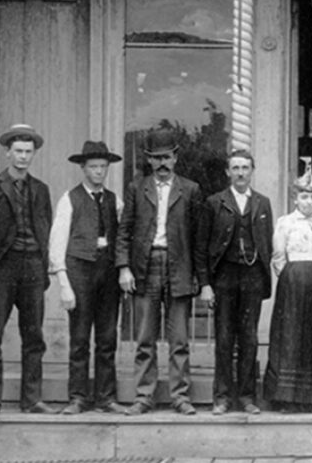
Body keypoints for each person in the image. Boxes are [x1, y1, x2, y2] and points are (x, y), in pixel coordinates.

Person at [0, 123, 54, 420]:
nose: (23, 157)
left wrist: (41, 264)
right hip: (1, 270)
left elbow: (46, 229)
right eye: (18, 151)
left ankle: (32, 399)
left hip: (33, 268)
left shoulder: (41, 190)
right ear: (7, 153)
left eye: (28, 152)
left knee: (34, 337)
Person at [116, 128, 202, 416]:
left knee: (179, 338)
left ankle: (180, 396)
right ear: (149, 160)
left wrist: (200, 278)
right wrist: (124, 267)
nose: (162, 164)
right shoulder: (136, 188)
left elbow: (198, 238)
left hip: (179, 265)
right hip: (145, 265)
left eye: (166, 157)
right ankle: (144, 396)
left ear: (176, 158)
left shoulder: (190, 190)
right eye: (156, 159)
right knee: (144, 337)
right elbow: (124, 231)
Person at [49, 140, 127, 415]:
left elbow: (122, 238)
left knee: (107, 339)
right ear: (83, 168)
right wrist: (64, 284)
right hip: (79, 271)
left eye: (103, 167)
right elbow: (57, 243)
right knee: (80, 338)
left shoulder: (115, 200)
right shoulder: (70, 199)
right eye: (93, 167)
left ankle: (106, 397)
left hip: (107, 272)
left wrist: (121, 270)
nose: (99, 172)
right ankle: (78, 398)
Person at [196, 149, 274, 415]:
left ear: (252, 171)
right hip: (224, 277)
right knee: (225, 338)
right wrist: (205, 284)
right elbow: (202, 247)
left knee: (249, 339)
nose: (241, 173)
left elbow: (267, 242)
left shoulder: (263, 203)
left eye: (245, 168)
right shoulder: (214, 202)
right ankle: (222, 397)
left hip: (252, 276)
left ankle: (247, 396)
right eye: (236, 168)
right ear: (228, 172)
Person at [263, 159, 312, 412]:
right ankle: (287, 398)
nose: (308, 202)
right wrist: (289, 276)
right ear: (295, 198)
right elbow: (278, 257)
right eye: (304, 197)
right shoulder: (285, 223)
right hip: (293, 283)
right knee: (291, 336)